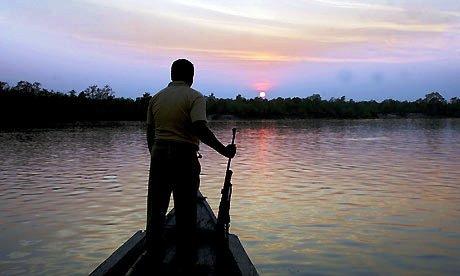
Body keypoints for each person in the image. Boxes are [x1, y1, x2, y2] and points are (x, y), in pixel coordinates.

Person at [145, 59, 236, 269]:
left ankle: (152, 258)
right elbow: (199, 128)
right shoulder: (195, 97)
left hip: (158, 153)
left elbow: (150, 131)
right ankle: (185, 262)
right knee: (186, 211)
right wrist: (224, 150)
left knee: (156, 209)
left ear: (171, 75)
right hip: (184, 156)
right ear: (191, 77)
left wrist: (155, 154)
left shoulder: (156, 98)